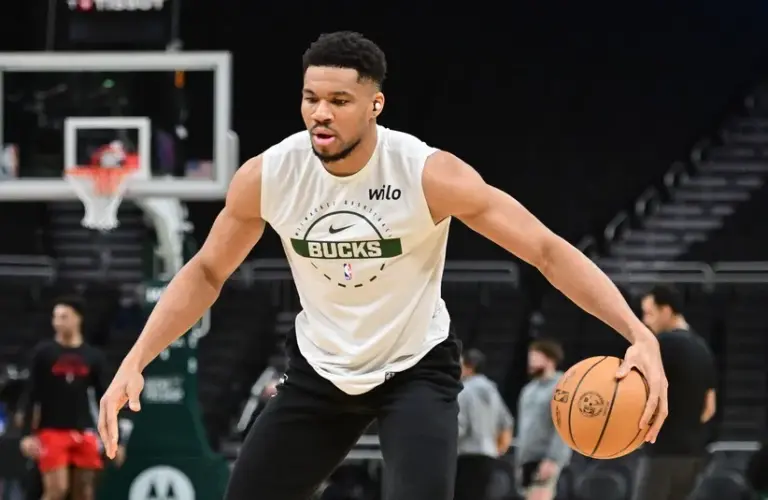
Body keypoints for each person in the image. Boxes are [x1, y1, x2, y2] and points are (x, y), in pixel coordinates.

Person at [98, 31, 669, 500]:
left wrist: (637, 333)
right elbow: (205, 272)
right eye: (310, 98)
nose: (320, 114)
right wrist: (137, 357)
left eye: (339, 101)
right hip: (320, 370)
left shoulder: (427, 174)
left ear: (375, 105)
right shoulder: (268, 177)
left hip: (414, 368)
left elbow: (545, 249)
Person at [16, 296, 125, 500]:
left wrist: (115, 439)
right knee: (56, 490)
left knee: (84, 492)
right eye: (55, 317)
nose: (58, 322)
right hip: (52, 430)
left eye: (64, 317)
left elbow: (106, 398)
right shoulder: (44, 353)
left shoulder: (93, 356)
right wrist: (26, 435)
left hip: (84, 430)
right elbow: (31, 394)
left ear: (77, 319)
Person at [633, 285, 717, 500]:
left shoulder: (661, 345)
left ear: (666, 311)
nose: (645, 321)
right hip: (693, 454)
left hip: (661, 452)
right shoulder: (703, 347)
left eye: (649, 313)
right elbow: (709, 408)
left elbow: (634, 392)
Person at [454, 349, 514, 500]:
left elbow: (460, 428)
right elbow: (507, 422)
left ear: (469, 366)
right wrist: (499, 448)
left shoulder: (464, 391)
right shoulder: (493, 391)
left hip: (467, 456)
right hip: (489, 455)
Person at [516, 339, 571, 500]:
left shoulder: (561, 386)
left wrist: (554, 459)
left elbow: (563, 426)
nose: (531, 361)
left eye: (535, 357)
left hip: (547, 457)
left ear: (549, 359)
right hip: (527, 457)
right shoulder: (528, 390)